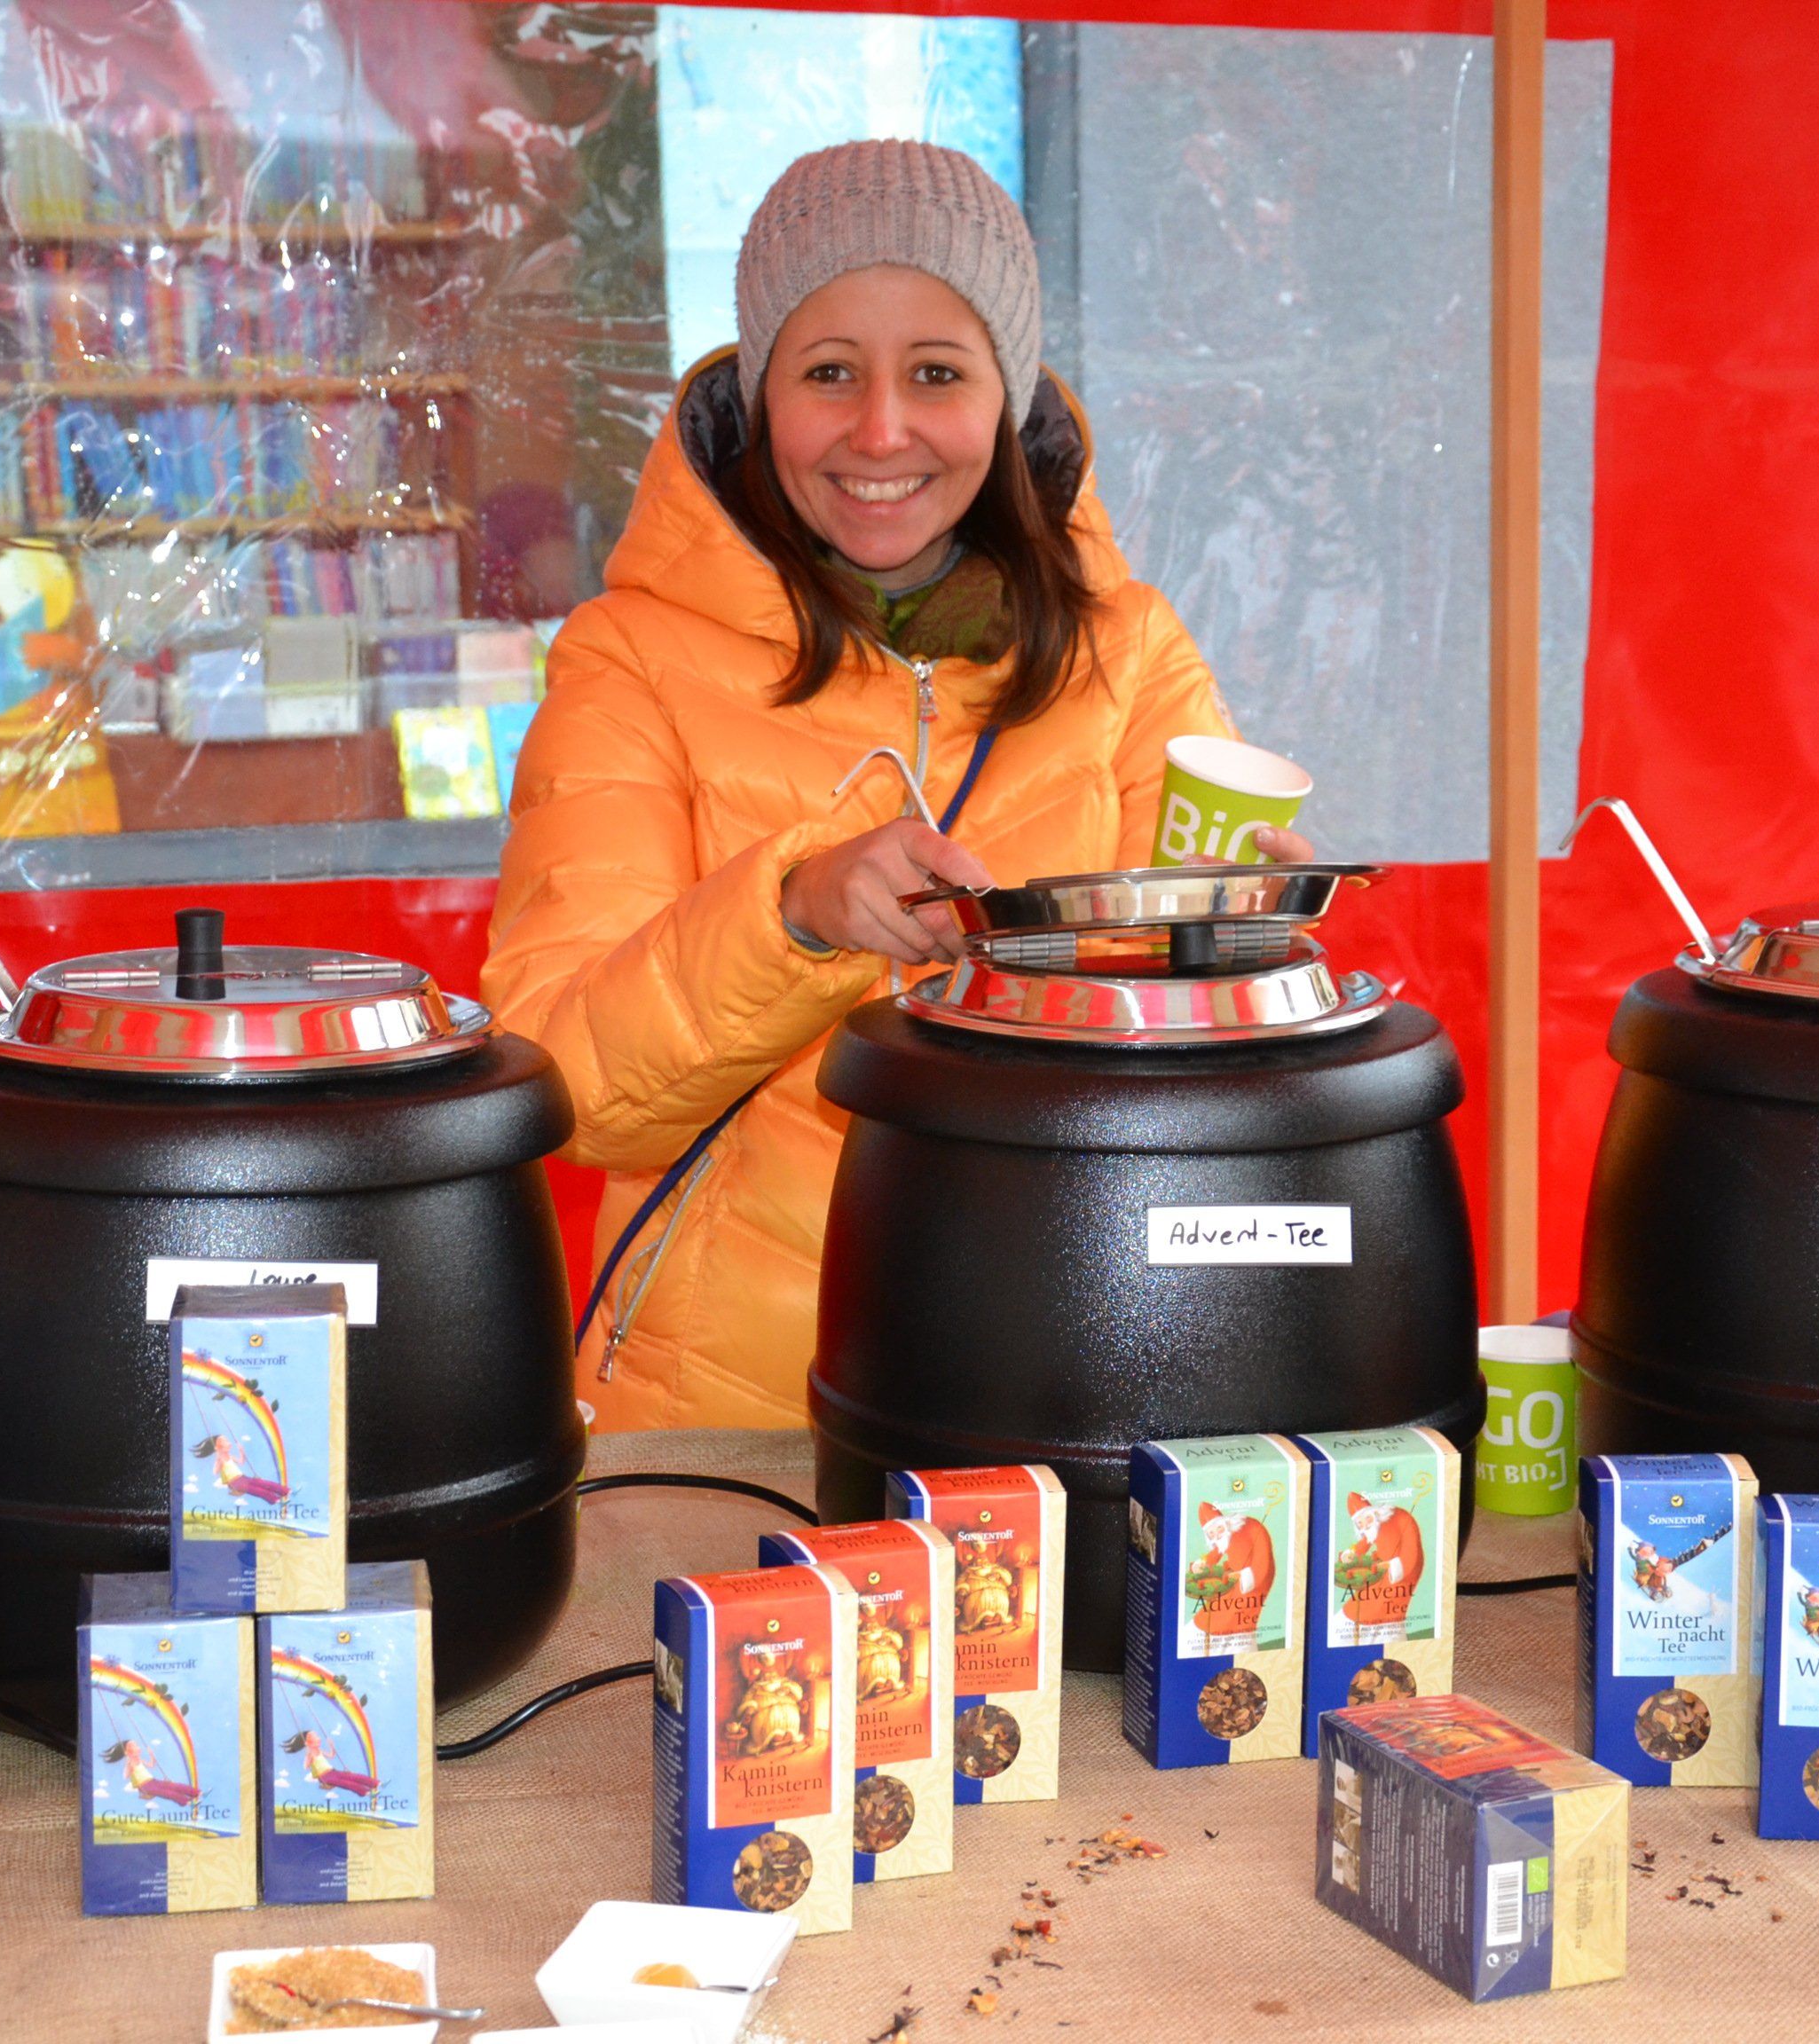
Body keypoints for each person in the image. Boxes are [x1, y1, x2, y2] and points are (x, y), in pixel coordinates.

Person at [485, 140, 1308, 1429]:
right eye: (827, 373)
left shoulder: (1131, 653)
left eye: (937, 372)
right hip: (722, 1424)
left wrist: (1240, 947)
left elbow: (1205, 1077)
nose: (880, 431)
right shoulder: (628, 657)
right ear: (762, 392)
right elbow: (563, 1092)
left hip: (1072, 1381)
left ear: (1007, 393)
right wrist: (793, 917)